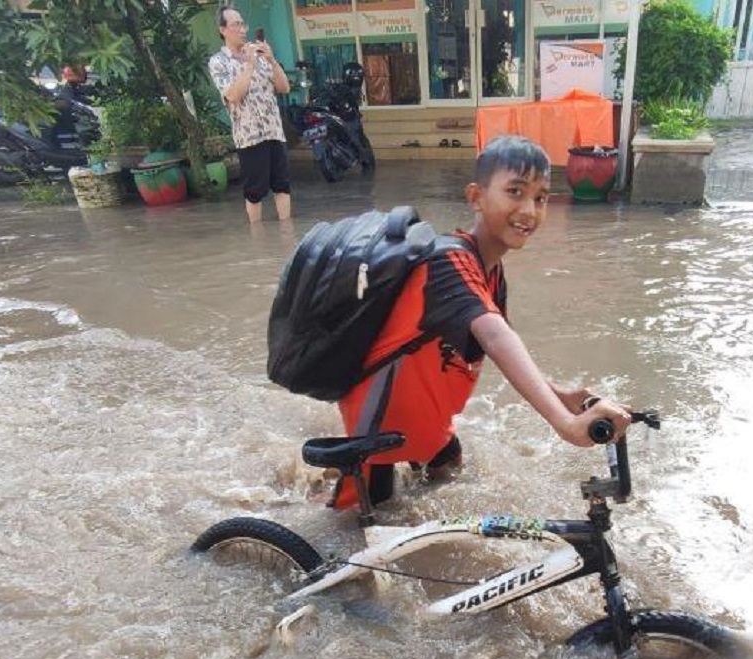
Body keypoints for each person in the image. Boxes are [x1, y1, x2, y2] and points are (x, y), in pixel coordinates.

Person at [333, 135, 631, 509]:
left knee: (451, 478)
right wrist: (565, 425)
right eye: (515, 191)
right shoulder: (448, 262)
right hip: (378, 427)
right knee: (352, 540)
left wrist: (563, 394)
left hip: (426, 424)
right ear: (475, 197)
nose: (530, 210)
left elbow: (498, 346)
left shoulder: (489, 271)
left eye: (540, 198)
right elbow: (494, 337)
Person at [208, 7, 292, 222]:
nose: (242, 29)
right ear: (223, 30)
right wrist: (248, 66)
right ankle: (258, 242)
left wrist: (271, 61)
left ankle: (286, 234)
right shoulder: (219, 62)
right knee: (255, 192)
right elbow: (233, 95)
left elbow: (284, 88)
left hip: (273, 131)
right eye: (236, 24)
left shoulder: (260, 54)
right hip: (249, 137)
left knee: (282, 186)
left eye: (243, 23)